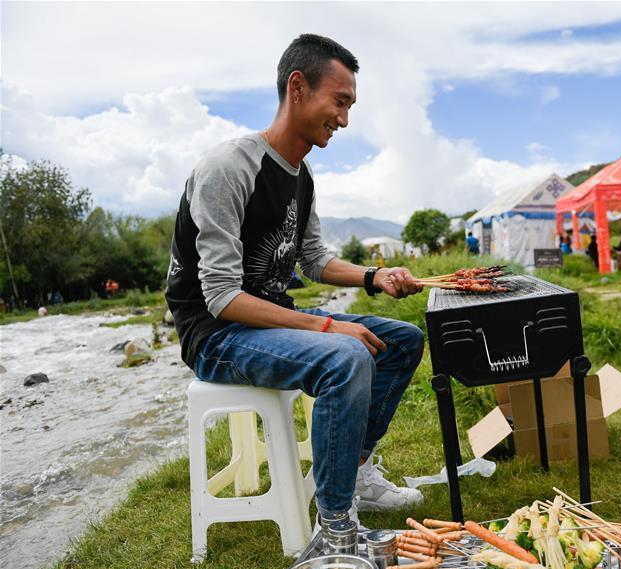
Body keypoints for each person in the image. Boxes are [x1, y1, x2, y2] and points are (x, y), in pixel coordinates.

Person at [165, 34, 426, 528]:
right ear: (298, 87)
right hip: (217, 335)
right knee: (346, 356)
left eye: (349, 106)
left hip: (266, 325)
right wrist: (326, 328)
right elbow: (220, 298)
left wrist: (376, 275)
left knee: (402, 341)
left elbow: (312, 261)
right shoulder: (229, 169)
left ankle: (358, 472)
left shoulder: (301, 176)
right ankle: (335, 527)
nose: (344, 119)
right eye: (340, 102)